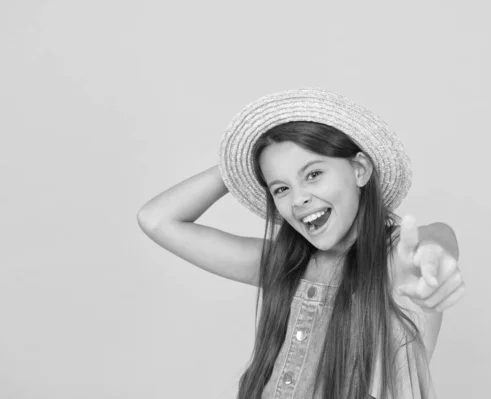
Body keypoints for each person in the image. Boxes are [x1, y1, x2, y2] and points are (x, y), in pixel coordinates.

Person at [137, 88, 465, 399]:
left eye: (312, 174)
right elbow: (157, 220)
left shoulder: (398, 262)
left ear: (360, 169)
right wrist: (241, 164)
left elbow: (434, 240)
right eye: (281, 188)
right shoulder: (284, 266)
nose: (298, 199)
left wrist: (433, 255)